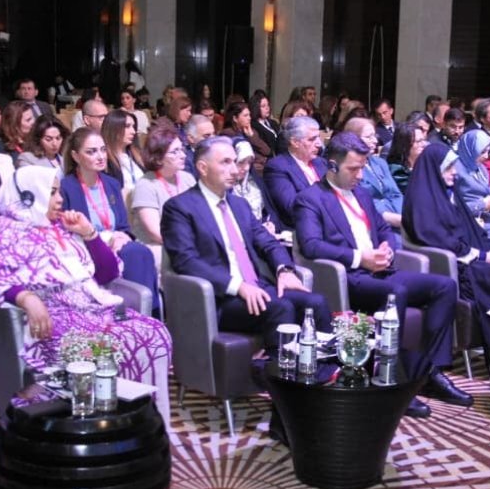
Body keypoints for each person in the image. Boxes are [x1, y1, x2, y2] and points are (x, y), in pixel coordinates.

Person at [0, 165, 172, 417]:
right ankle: (103, 418)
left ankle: (142, 420)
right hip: (53, 318)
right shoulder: (3, 230)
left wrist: (89, 234)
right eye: (51, 192)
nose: (59, 199)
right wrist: (26, 298)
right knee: (122, 341)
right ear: (28, 195)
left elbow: (107, 274)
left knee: (154, 333)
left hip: (92, 310)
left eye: (58, 192)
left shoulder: (62, 228)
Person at [294, 132, 471, 417]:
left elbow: (383, 229)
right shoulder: (310, 199)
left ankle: (429, 371)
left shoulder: (362, 194)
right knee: (395, 293)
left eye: (363, 168)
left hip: (381, 271)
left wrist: (387, 246)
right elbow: (311, 245)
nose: (360, 175)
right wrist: (360, 258)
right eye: (354, 169)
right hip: (349, 277)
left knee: (445, 286)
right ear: (332, 165)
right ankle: (390, 377)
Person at [162, 137, 330, 349]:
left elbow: (268, 243)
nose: (235, 170)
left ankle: (324, 365)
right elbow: (186, 261)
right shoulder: (179, 207)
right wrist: (238, 286)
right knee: (281, 308)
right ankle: (278, 369)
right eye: (225, 162)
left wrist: (284, 270)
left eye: (234, 161)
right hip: (220, 296)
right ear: (203, 168)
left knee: (316, 302)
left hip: (257, 286)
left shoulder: (239, 204)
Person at [401, 142, 490, 352]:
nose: (455, 172)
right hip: (457, 267)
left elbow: (473, 231)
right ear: (434, 169)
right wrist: (484, 256)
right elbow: (441, 242)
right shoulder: (422, 200)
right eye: (448, 167)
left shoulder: (451, 193)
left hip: (475, 256)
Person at [60, 126, 161, 314]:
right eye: (91, 152)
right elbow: (66, 232)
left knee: (140, 252)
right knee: (136, 253)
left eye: (103, 150)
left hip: (116, 245)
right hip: (86, 248)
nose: (100, 156)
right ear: (75, 156)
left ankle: (147, 314)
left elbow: (123, 226)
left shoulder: (112, 184)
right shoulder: (65, 187)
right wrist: (103, 239)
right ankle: (143, 316)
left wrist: (122, 236)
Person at [128, 124, 195, 256]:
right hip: (159, 245)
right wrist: (188, 245)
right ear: (158, 158)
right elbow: (155, 233)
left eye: (182, 149)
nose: (183, 155)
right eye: (175, 152)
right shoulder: (146, 185)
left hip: (189, 240)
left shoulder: (187, 178)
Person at [264, 116, 329, 230]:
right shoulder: (277, 167)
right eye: (312, 139)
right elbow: (293, 207)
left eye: (318, 137)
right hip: (304, 228)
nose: (319, 144)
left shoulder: (321, 162)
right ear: (295, 142)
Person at [342, 117, 404, 227]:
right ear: (353, 140)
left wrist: (401, 215)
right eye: (368, 137)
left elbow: (396, 194)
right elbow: (360, 202)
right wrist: (394, 218)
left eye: (374, 136)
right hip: (371, 222)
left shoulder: (380, 162)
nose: (375, 141)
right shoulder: (350, 168)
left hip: (398, 217)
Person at [386, 122, 428, 194]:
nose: (424, 144)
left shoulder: (425, 163)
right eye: (418, 141)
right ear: (405, 145)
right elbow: (416, 191)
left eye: (423, 140)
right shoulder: (396, 170)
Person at [249, 93, 281, 168]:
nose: (267, 108)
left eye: (268, 105)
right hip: (267, 161)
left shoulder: (273, 123)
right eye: (263, 106)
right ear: (256, 108)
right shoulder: (253, 125)